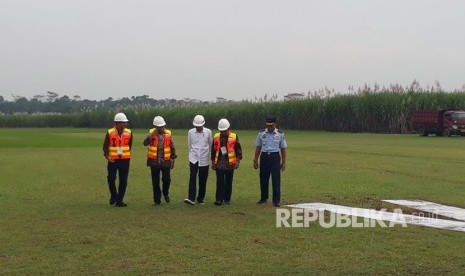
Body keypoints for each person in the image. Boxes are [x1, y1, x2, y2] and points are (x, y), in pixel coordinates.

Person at [253, 115, 287, 207]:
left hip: (275, 157)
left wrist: (283, 162)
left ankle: (276, 200)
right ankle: (263, 198)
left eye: (271, 125)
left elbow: (283, 149)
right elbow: (258, 147)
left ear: (275, 124)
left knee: (276, 179)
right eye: (268, 125)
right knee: (263, 178)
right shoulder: (261, 133)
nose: (269, 127)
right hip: (264, 157)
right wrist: (255, 160)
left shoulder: (280, 134)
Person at [143, 116, 177, 205]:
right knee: (155, 182)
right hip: (154, 161)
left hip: (166, 161)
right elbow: (145, 143)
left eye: (163, 126)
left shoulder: (168, 134)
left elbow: (172, 147)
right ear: (156, 127)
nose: (162, 128)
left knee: (167, 180)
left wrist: (173, 159)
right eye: (160, 127)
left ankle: (165, 193)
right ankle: (157, 200)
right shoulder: (151, 133)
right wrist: (151, 135)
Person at [102, 112, 133, 207]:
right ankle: (114, 194)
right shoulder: (110, 132)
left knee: (123, 181)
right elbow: (105, 147)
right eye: (123, 123)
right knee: (111, 178)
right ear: (117, 123)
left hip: (125, 160)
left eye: (126, 123)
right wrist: (108, 156)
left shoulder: (129, 132)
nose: (125, 124)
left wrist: (126, 155)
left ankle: (119, 200)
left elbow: (129, 145)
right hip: (113, 160)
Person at [211, 118, 242, 205]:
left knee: (228, 182)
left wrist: (238, 161)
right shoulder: (216, 136)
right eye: (221, 131)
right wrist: (213, 161)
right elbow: (213, 150)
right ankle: (219, 199)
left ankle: (227, 199)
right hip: (219, 163)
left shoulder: (234, 136)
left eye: (224, 130)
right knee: (220, 181)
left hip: (230, 164)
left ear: (228, 128)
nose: (222, 132)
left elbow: (238, 150)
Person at [184, 115, 212, 205]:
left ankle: (200, 198)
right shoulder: (190, 132)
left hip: (204, 159)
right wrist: (192, 155)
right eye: (196, 126)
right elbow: (189, 145)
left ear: (203, 124)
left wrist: (210, 158)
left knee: (203, 179)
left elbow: (210, 145)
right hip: (194, 159)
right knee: (192, 177)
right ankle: (191, 198)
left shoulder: (208, 132)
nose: (198, 128)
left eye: (199, 126)